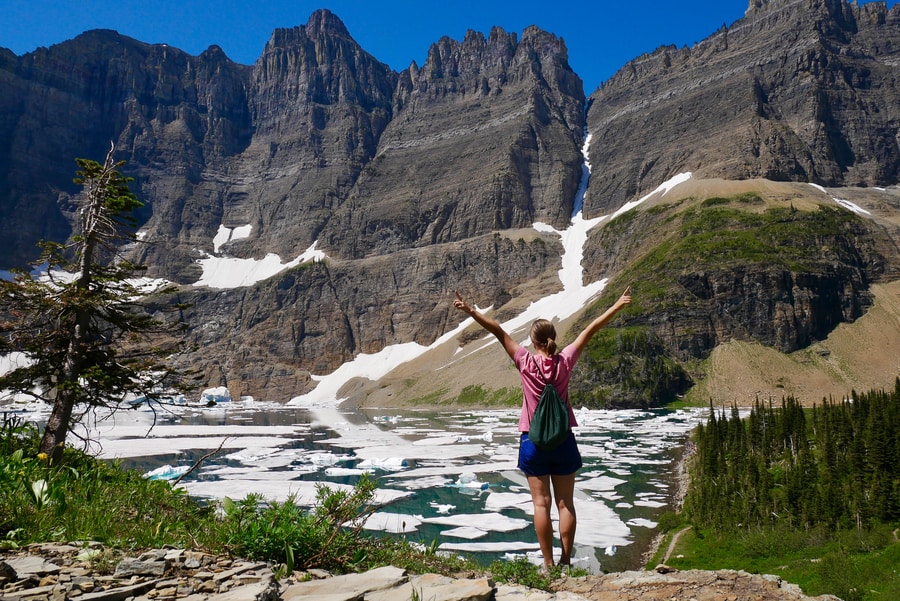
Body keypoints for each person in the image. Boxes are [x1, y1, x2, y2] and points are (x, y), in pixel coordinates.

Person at [452, 286, 632, 568]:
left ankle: (547, 563)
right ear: (553, 339)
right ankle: (565, 561)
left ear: (533, 341)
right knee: (566, 505)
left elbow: (498, 331)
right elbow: (592, 328)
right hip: (563, 441)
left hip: (532, 442)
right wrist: (618, 305)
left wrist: (470, 310)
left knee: (541, 505)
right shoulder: (566, 360)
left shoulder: (524, 361)